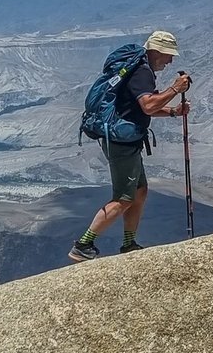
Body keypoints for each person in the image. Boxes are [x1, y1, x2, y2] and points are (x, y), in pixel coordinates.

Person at [69, 29, 190, 263]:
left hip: (125, 141)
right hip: (122, 144)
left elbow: (138, 107)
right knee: (124, 198)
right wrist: (175, 89)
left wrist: (174, 111)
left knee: (139, 192)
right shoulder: (142, 72)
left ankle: (129, 243)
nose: (170, 60)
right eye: (168, 54)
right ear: (156, 51)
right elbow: (147, 105)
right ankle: (83, 244)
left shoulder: (138, 69)